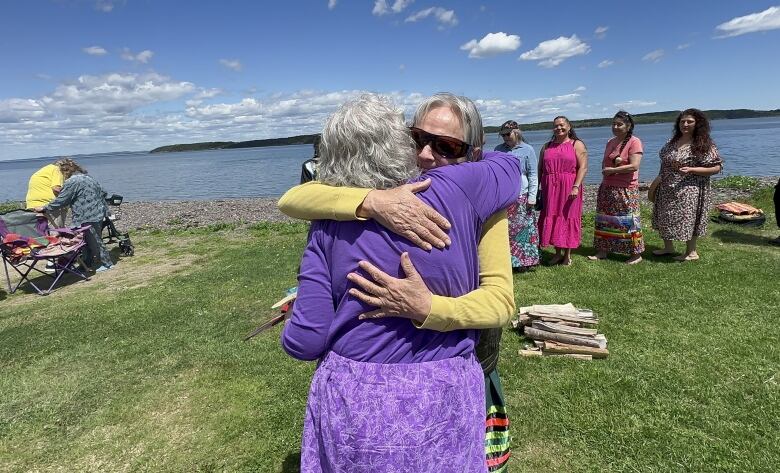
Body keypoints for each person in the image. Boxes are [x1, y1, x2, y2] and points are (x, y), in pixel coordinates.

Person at [279, 92, 518, 472]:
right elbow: (293, 198)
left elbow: (502, 302)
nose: (426, 155)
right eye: (417, 138)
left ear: (472, 153)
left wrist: (429, 308)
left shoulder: (472, 193)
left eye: (446, 146)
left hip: (362, 392)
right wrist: (372, 201)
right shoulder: (458, 191)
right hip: (446, 385)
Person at [651, 109, 723, 261]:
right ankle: (668, 247)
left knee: (688, 218)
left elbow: (716, 168)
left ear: (698, 124)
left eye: (689, 121)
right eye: (682, 121)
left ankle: (691, 252)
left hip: (690, 187)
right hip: (667, 186)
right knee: (665, 216)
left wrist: (692, 169)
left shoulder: (703, 144)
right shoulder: (672, 141)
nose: (685, 124)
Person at [34, 159, 114, 272]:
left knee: (93, 239)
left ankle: (107, 263)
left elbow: (62, 200)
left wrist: (45, 208)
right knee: (87, 239)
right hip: (99, 211)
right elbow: (104, 192)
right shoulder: (88, 177)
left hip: (85, 214)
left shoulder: (72, 182)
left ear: (64, 171)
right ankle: (87, 263)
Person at [588, 111, 645, 264]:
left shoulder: (634, 141)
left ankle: (635, 254)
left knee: (628, 220)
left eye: (619, 124)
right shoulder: (610, 141)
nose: (615, 127)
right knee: (605, 219)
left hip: (626, 188)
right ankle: (603, 250)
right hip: (607, 186)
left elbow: (634, 166)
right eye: (613, 124)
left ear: (628, 126)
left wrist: (612, 171)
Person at [537, 116, 588, 266]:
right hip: (549, 188)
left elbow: (583, 168)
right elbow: (540, 169)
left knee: (567, 217)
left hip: (569, 187)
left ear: (569, 126)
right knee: (553, 216)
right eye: (555, 126)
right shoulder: (546, 146)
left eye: (562, 125)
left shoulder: (576, 144)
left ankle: (567, 255)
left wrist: (576, 186)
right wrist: (538, 189)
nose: (559, 128)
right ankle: (557, 253)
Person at [495, 120, 540, 271]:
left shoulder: (528, 150)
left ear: (517, 132)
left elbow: (533, 174)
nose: (505, 137)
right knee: (507, 230)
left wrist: (532, 197)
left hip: (522, 195)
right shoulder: (498, 150)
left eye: (508, 134)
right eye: (503, 135)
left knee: (525, 230)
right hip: (505, 197)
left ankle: (526, 262)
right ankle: (509, 261)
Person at [26, 159, 67, 228]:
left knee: (41, 231)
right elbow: (56, 188)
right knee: (57, 231)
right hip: (47, 205)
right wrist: (69, 195)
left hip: (32, 205)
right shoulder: (56, 169)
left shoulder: (44, 170)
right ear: (65, 168)